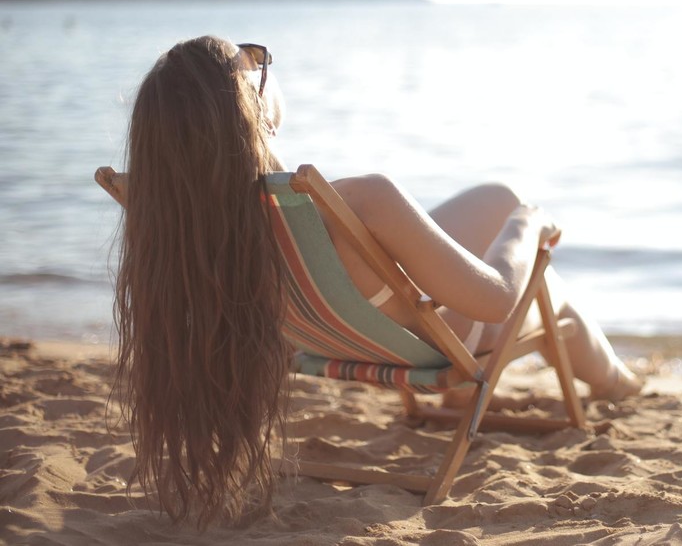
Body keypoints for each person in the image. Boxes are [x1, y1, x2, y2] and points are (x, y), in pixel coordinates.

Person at [112, 35, 642, 527]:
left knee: (493, 199)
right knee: (548, 292)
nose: (264, 65)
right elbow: (497, 300)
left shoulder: (190, 222)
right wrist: (529, 223)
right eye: (255, 63)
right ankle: (619, 383)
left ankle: (577, 381)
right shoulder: (361, 199)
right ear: (251, 109)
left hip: (347, 335)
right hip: (438, 344)